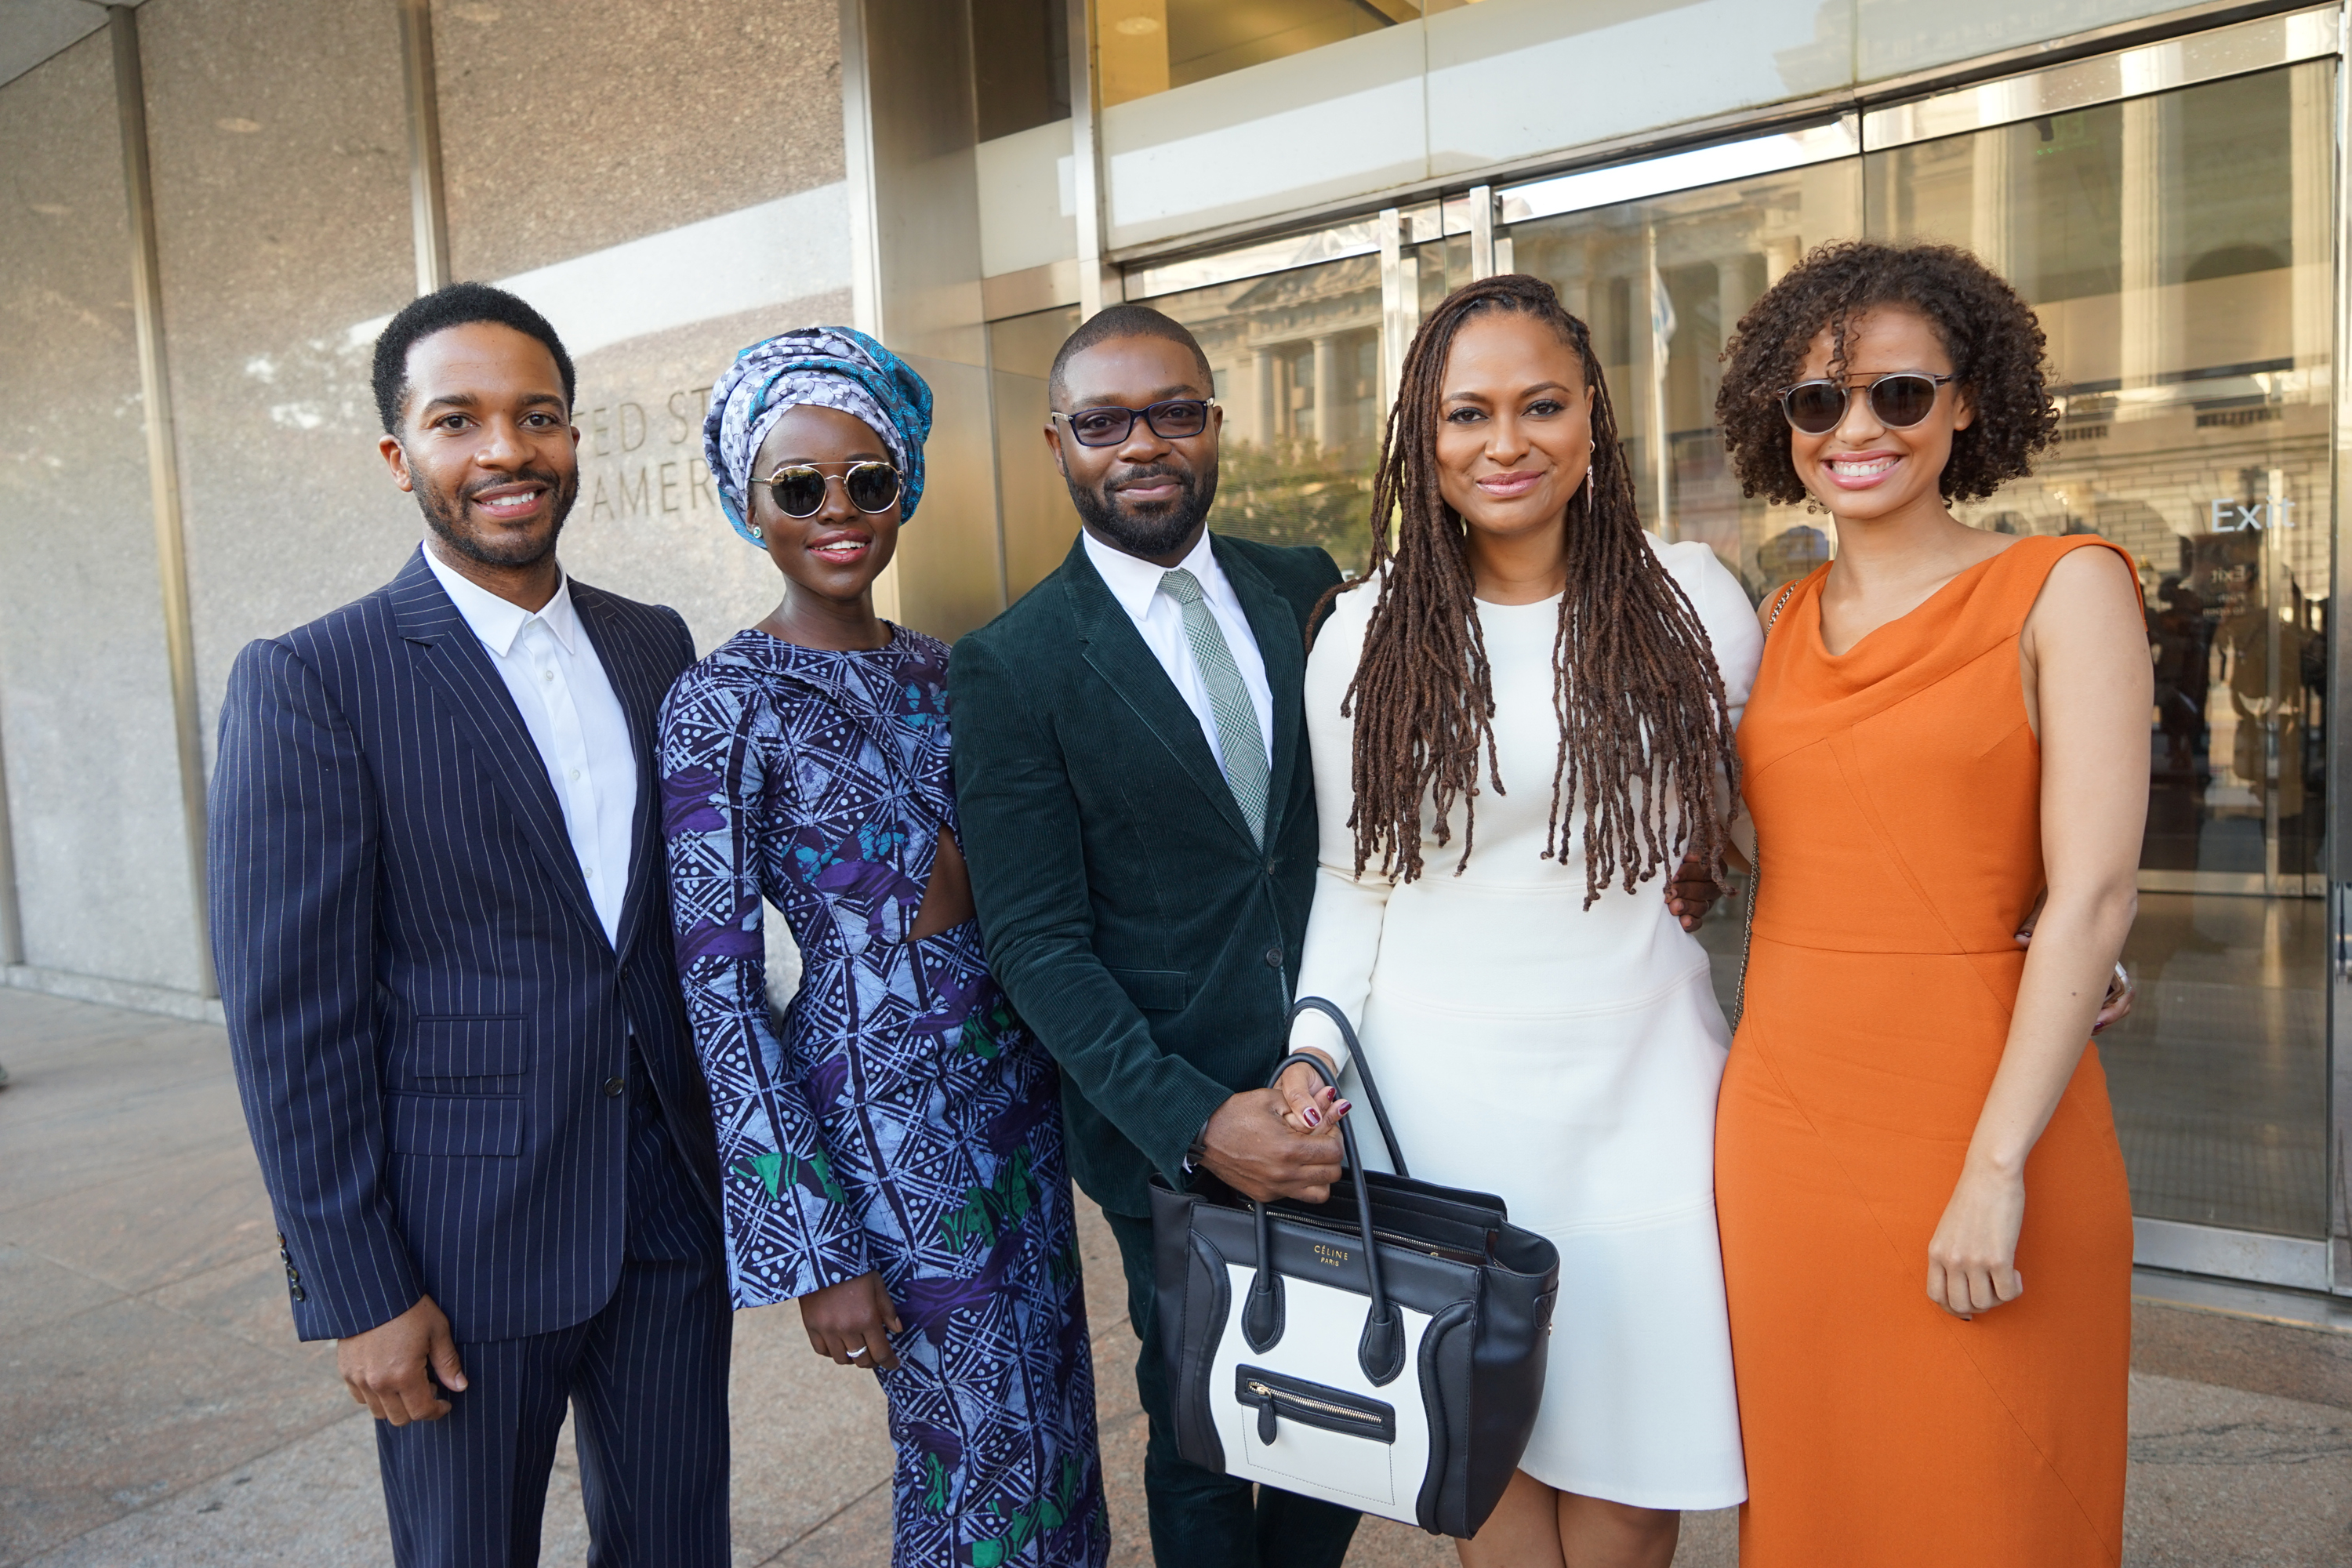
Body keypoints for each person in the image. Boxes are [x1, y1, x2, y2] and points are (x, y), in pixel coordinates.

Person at [209, 281, 731, 1566]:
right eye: (459, 420)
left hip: (667, 1214)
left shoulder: (653, 643)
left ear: (571, 438)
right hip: (458, 1250)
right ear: (401, 456)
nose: (506, 449)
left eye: (537, 415)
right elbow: (294, 1024)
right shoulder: (315, 678)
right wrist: (361, 1287)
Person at [1284, 274, 1755, 1568]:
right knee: (1485, 1462)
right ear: (1421, 444)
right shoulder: (1365, 636)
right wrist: (1312, 1058)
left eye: (1541, 405)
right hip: (1444, 1103)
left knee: (1633, 1453)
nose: (1506, 443)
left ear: (1592, 418)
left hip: (1646, 1090)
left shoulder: (1697, 599)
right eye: (1467, 414)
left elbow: (1781, 816)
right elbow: (1351, 880)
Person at [1710, 240, 2147, 1566]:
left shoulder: (2064, 585)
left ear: (1967, 403)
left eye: (1899, 394)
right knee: (1816, 1498)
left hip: (1988, 1125)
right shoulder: (1775, 619)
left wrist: (1995, 1170)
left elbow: (2098, 890)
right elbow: (1753, 842)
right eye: (1818, 402)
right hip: (1786, 1137)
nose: (1857, 429)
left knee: (1995, 1510)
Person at [659, 328, 1106, 1568]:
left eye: (869, 479)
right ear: (748, 506)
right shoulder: (720, 702)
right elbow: (717, 983)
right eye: (798, 488)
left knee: (1056, 1425)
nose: (839, 512)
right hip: (881, 1119)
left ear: (904, 483)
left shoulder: (949, 672)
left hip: (1012, 1103)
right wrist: (815, 1244)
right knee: (972, 1447)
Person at [947, 304, 1365, 1568]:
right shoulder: (1012, 664)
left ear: (1213, 426)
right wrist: (1197, 1123)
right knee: (1205, 1434)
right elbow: (1036, 944)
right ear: (1057, 444)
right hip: (1174, 1126)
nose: (1142, 443)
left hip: (1348, 1084)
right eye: (1103, 421)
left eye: (1173, 411)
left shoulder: (1306, 587)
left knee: (1341, 1419)